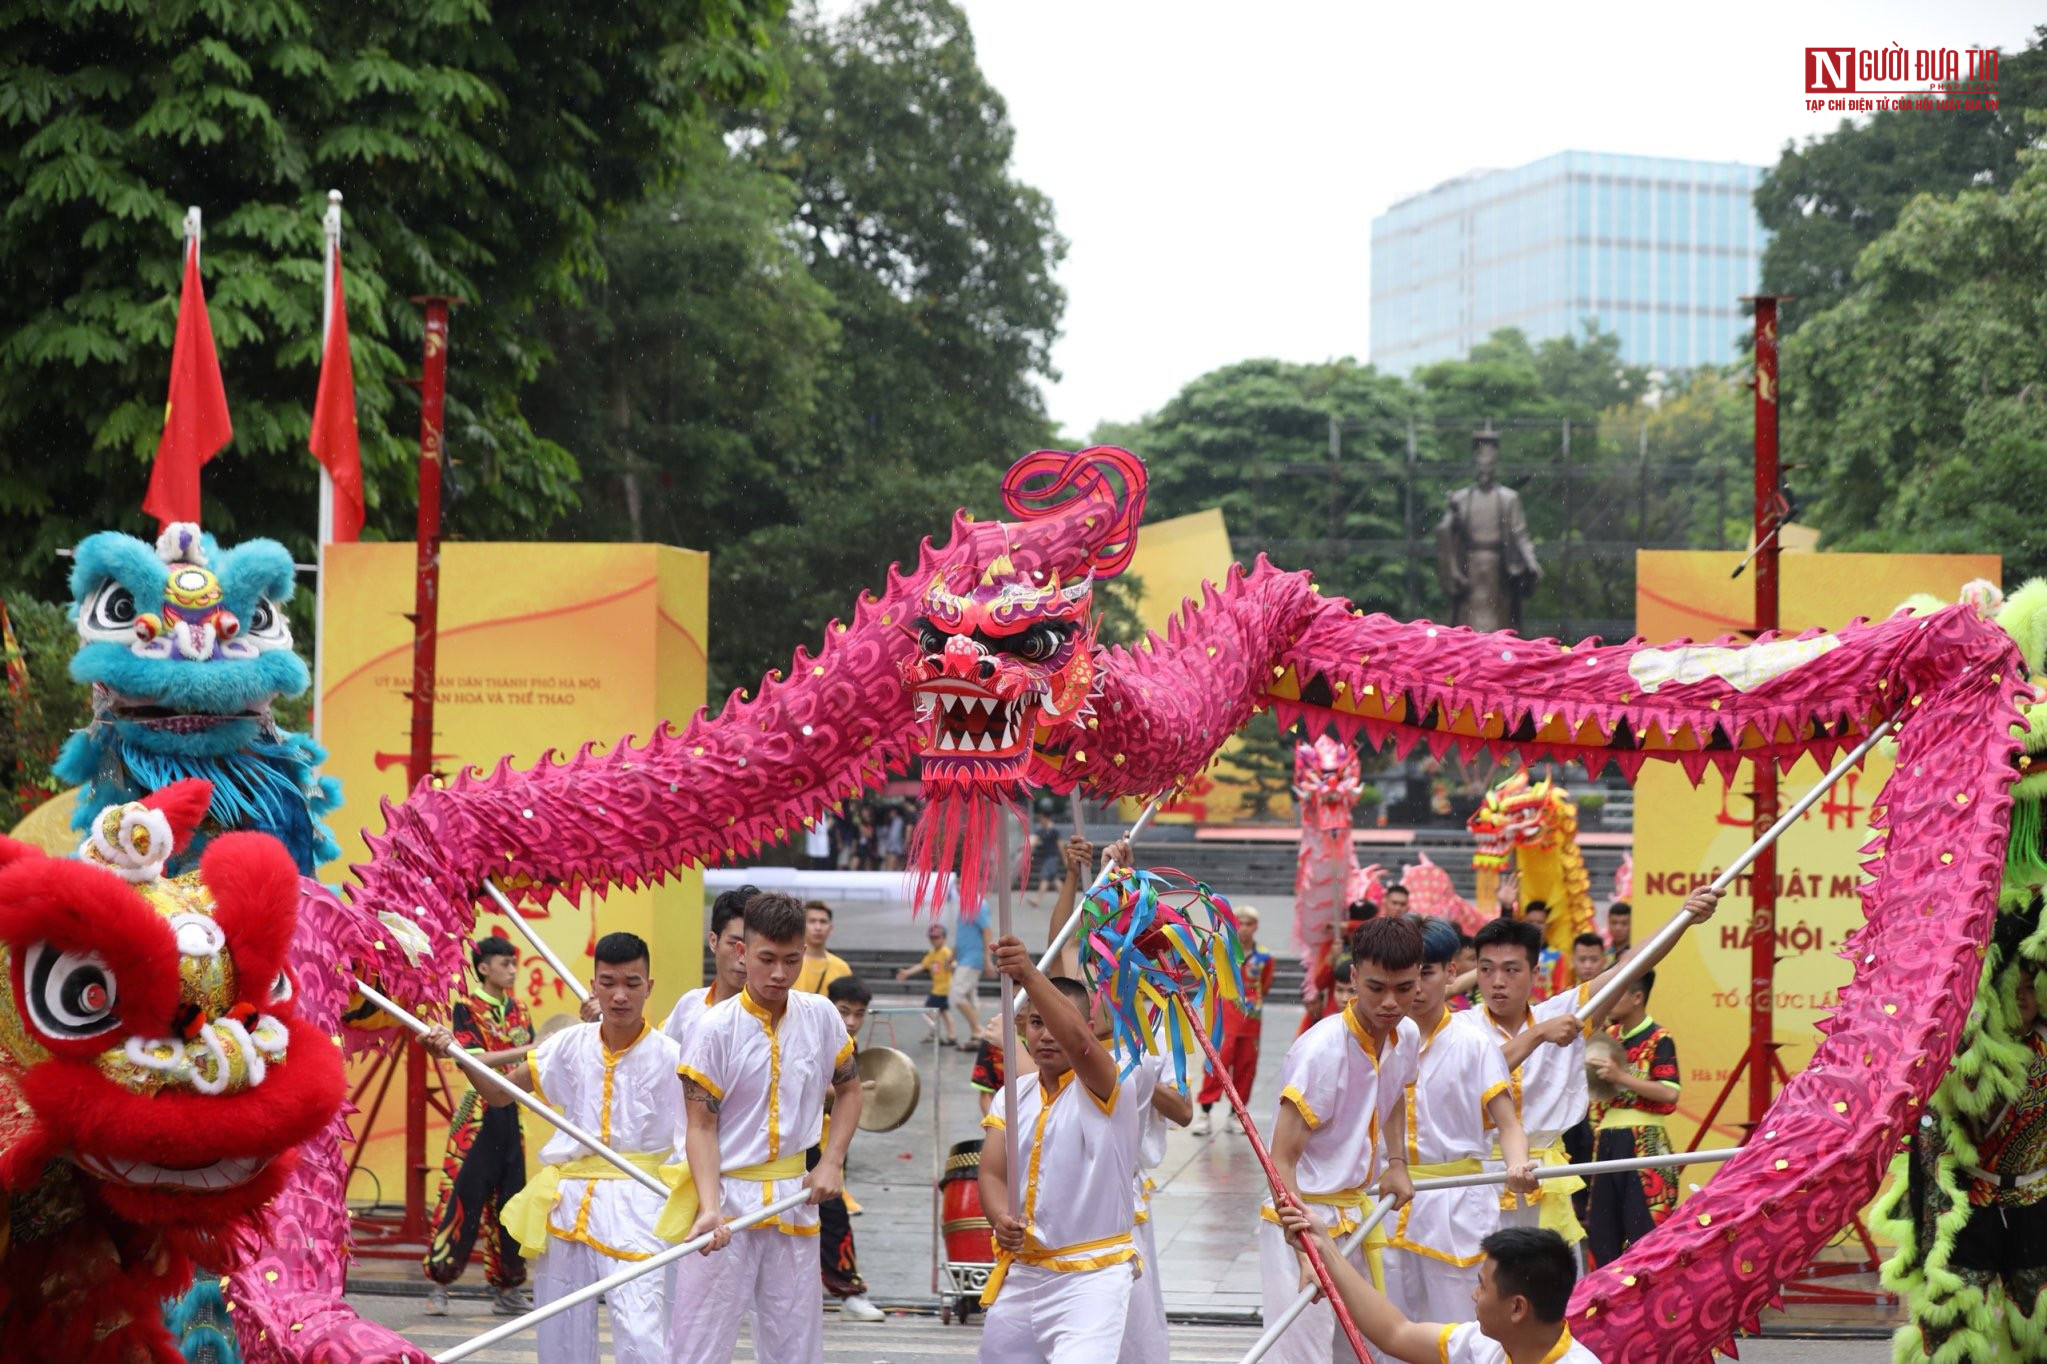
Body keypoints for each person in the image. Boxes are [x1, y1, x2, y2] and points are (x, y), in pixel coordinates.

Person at [425, 932, 678, 1364]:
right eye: (609, 982)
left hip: (640, 1206)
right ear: (593, 985)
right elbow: (502, 1094)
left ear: (649, 987)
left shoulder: (674, 1056)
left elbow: (701, 1134)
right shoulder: (567, 1045)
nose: (620, 995)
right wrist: (460, 1056)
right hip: (568, 1204)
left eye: (632, 984)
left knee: (642, 1330)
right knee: (561, 1331)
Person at [1458, 888, 1719, 1249]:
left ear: (1535, 972)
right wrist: (1537, 1036)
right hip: (1473, 1182)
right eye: (1486, 970)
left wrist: (1684, 918)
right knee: (1475, 1292)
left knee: (1551, 1295)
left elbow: (1630, 967)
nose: (1497, 981)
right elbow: (1472, 1080)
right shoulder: (1460, 1028)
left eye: (1511, 970)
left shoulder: (1564, 1012)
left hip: (1546, 1177)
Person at [668, 892, 864, 1363]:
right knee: (698, 1342)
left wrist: (832, 1162)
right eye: (767, 959)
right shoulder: (714, 1029)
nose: (779, 974)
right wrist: (711, 1207)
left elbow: (852, 1090)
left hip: (796, 1201)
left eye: (792, 960)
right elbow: (700, 1127)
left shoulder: (820, 1017)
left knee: (794, 1343)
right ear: (742, 952)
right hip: (729, 1203)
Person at [1260, 917, 1424, 1364]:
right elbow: (1282, 1162)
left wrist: (1397, 1163)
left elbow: (1391, 1097)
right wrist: (1305, 1251)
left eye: (1404, 988)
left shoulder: (1406, 1034)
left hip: (1358, 1213)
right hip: (1302, 1214)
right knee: (1302, 1355)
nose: (1391, 1003)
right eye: (1376, 988)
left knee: (1361, 1348)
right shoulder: (1321, 1051)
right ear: (1353, 978)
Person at [977, 934, 1142, 1362]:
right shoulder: (1013, 1093)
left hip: (1093, 1276)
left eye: (1055, 1024)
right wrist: (999, 1218)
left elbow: (1080, 1046)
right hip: (1024, 1273)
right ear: (1023, 1028)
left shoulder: (1107, 1083)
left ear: (1088, 1027)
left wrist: (1030, 975)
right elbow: (993, 1172)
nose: (1046, 1035)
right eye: (1035, 1024)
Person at [1384, 917, 1537, 1323]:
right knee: (1387, 1331)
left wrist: (1516, 1164)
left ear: (1451, 973)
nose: (1415, 989)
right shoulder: (1378, 1041)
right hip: (1386, 1201)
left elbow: (1508, 1123)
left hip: (1455, 1205)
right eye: (1405, 977)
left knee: (1458, 1326)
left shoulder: (1474, 1044)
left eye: (1426, 974)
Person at [1279, 1211, 1600, 1363]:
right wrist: (1327, 1250)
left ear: (1517, 1308)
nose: (1475, 1295)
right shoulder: (1487, 1346)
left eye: (1483, 1287)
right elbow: (1396, 1333)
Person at [422, 935, 535, 1316]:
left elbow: (529, 1067)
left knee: (512, 1202)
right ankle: (439, 1282)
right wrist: (527, 1052)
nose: (512, 970)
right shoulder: (465, 1008)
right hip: (476, 1117)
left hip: (511, 1117)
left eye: (514, 963)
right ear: (483, 967)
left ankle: (506, 1289)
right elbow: (475, 1060)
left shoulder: (520, 1009)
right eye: (505, 963)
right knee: (463, 1200)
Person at [1583, 970, 1681, 1266]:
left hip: (1644, 1142)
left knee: (1645, 1232)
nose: (1610, 999)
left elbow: (1669, 1093)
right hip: (1607, 1140)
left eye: (1619, 992)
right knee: (1602, 1234)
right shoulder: (1607, 1038)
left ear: (1638, 997)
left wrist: (1620, 1077)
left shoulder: (1659, 1038)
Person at [819, 975, 885, 1321]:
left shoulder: (850, 1046)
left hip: (823, 1147)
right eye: (844, 1011)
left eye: (859, 1014)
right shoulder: (811, 1035)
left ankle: (848, 1290)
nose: (851, 1022)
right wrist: (848, 1090)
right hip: (786, 1148)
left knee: (832, 1217)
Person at [1195, 905, 1275, 1135]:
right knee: (1217, 1063)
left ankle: (1235, 1114)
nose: (1244, 928)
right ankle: (1206, 1112)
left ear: (1256, 927)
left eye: (1249, 923)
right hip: (1225, 1020)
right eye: (1240, 923)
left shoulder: (1264, 957)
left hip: (1251, 1021)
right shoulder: (1223, 952)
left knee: (1246, 1067)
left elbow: (1265, 986)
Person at [662, 885, 754, 1051]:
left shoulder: (776, 1017)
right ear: (713, 941)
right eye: (735, 944)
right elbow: (661, 1057)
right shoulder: (689, 1006)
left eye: (753, 946)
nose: (743, 958)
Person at [898, 921, 959, 1044]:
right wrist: (908, 972)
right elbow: (922, 965)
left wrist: (952, 966)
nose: (934, 940)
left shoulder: (945, 952)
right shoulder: (933, 953)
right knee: (943, 1012)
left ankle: (935, 1034)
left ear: (944, 938)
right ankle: (951, 1036)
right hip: (938, 988)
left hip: (943, 989)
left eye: (937, 937)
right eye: (932, 937)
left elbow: (953, 963)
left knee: (929, 1011)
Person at [794, 899, 852, 995]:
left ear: (831, 928)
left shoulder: (842, 968)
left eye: (823, 922)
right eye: (812, 921)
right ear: (801, 926)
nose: (818, 927)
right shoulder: (790, 962)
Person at [952, 902, 987, 1048]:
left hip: (972, 959)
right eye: (958, 882)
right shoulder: (964, 905)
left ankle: (980, 1031)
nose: (959, 886)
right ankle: (976, 1037)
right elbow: (961, 935)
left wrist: (987, 958)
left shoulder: (979, 904)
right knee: (972, 997)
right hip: (964, 958)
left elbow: (987, 931)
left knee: (957, 995)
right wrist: (952, 957)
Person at [1523, 902, 1561, 1003]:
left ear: (1549, 925)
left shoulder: (1557, 956)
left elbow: (1559, 991)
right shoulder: (1517, 953)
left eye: (1540, 922)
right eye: (1530, 922)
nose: (1535, 927)